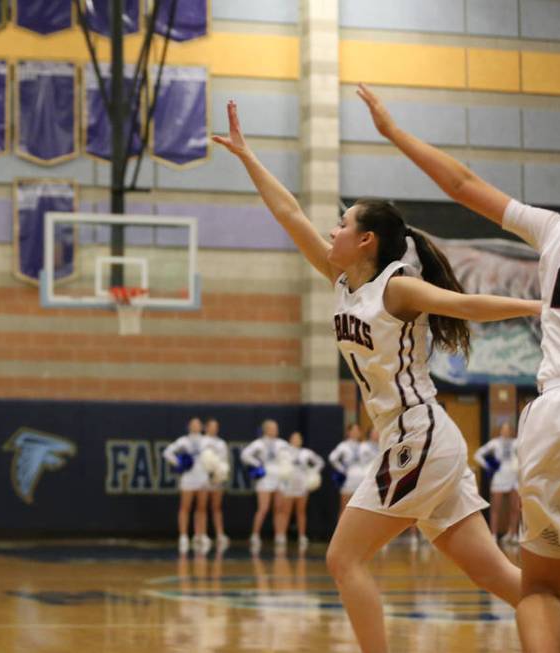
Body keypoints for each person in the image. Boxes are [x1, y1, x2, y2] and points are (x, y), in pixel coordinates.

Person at [213, 98, 541, 653]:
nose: (332, 230)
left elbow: (468, 305)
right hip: (410, 437)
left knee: (343, 559)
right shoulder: (341, 279)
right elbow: (290, 213)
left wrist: (544, 309)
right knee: (500, 579)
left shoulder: (396, 287)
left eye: (342, 224)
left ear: (366, 240)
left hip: (421, 436)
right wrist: (248, 157)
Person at [357, 82, 560, 652]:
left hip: (556, 414)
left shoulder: (557, 232)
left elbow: (462, 184)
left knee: (542, 591)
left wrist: (395, 132)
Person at [240, 419, 290, 551]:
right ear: (266, 429)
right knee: (263, 508)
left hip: (279, 477)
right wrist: (258, 464)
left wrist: (285, 468)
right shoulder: (259, 444)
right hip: (265, 478)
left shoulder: (282, 444)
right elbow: (245, 455)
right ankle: (255, 535)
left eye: (276, 427)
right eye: (272, 428)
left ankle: (280, 535)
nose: (275, 430)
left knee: (279, 508)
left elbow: (289, 458)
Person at [163, 418, 210, 554]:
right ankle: (183, 536)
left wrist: (213, 469)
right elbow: (167, 452)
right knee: (185, 507)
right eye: (193, 424)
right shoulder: (183, 441)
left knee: (201, 508)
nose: (195, 426)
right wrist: (179, 463)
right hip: (188, 478)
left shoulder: (207, 441)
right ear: (189, 426)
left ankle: (200, 535)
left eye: (198, 424)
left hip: (202, 477)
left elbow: (214, 458)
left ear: (201, 427)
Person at [474, 422, 520, 546]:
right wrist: (489, 466)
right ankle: (493, 534)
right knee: (495, 508)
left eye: (507, 429)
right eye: (503, 429)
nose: (505, 431)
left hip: (514, 478)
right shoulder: (495, 443)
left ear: (511, 431)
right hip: (499, 477)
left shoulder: (517, 443)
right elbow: (478, 454)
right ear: (500, 431)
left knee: (515, 508)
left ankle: (513, 534)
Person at [279, 431, 325, 551]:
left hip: (302, 485)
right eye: (294, 438)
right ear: (290, 440)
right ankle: (281, 536)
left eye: (298, 438)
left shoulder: (306, 453)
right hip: (289, 485)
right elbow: (279, 466)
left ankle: (302, 536)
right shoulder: (285, 452)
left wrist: (312, 472)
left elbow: (320, 462)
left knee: (301, 511)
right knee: (285, 511)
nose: (296, 440)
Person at [204, 418, 231, 552]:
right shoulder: (201, 441)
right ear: (206, 427)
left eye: (216, 426)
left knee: (216, 507)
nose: (214, 428)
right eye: (212, 426)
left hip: (216, 479)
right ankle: (202, 535)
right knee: (201, 507)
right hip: (202, 479)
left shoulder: (221, 443)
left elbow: (224, 462)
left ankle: (220, 534)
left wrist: (220, 474)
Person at [328, 423, 365, 515]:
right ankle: (340, 529)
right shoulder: (343, 445)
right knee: (344, 508)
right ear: (348, 432)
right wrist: (342, 470)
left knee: (359, 510)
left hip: (362, 480)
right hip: (348, 480)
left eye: (357, 430)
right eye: (353, 430)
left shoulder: (364, 446)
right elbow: (332, 458)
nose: (355, 432)